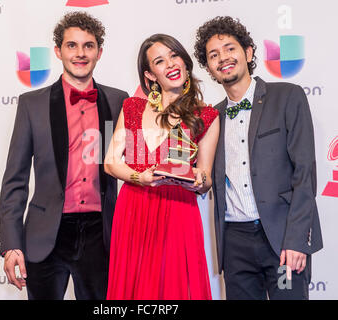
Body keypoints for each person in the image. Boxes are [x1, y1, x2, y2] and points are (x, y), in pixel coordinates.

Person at [0, 11, 129, 300]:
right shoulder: (31, 105)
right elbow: (14, 182)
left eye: (88, 46)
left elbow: (136, 163)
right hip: (45, 235)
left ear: (99, 52)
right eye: (72, 45)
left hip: (102, 235)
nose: (80, 54)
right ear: (58, 51)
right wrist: (11, 244)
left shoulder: (120, 101)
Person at [194, 16, 323, 300]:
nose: (223, 58)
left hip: (281, 242)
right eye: (213, 55)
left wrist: (296, 240)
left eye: (230, 49)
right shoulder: (211, 118)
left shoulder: (287, 97)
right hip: (236, 246)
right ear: (209, 67)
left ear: (248, 52)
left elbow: (305, 174)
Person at [104, 34, 219, 299]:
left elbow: (206, 178)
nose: (170, 63)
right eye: (160, 60)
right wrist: (138, 177)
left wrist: (200, 179)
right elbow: (111, 163)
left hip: (178, 213)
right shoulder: (132, 107)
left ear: (185, 61)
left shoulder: (205, 116)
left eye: (174, 55)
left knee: (173, 289)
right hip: (133, 208)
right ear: (150, 74)